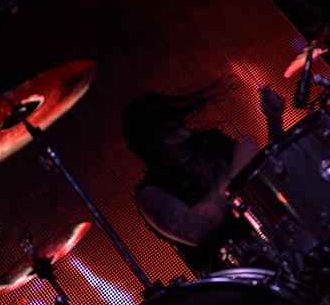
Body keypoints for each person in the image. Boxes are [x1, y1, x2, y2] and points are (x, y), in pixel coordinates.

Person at [122, 86, 284, 276]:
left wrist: (274, 121)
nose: (174, 120)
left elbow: (271, 178)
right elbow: (193, 231)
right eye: (162, 120)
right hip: (237, 275)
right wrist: (238, 167)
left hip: (276, 240)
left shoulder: (210, 142)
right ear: (149, 141)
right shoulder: (152, 190)